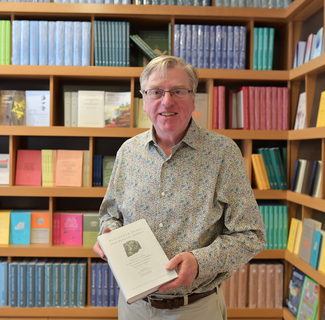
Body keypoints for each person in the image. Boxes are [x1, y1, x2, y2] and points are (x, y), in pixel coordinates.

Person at [93, 55, 266, 320]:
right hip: (134, 308)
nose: (166, 101)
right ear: (144, 99)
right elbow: (111, 215)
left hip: (197, 308)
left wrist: (200, 263)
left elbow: (251, 235)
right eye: (156, 92)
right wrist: (110, 235)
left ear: (193, 97)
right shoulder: (128, 152)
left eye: (178, 91)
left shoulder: (222, 153)